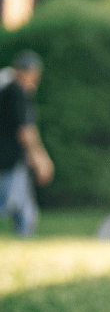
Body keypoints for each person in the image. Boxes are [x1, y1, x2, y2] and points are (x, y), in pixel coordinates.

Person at [0, 50, 53, 238]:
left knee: (24, 210)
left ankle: (23, 242)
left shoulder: (9, 90)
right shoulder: (16, 93)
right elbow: (25, 132)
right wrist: (41, 158)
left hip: (12, 160)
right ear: (21, 72)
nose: (35, 79)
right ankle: (23, 240)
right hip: (8, 162)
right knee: (11, 205)